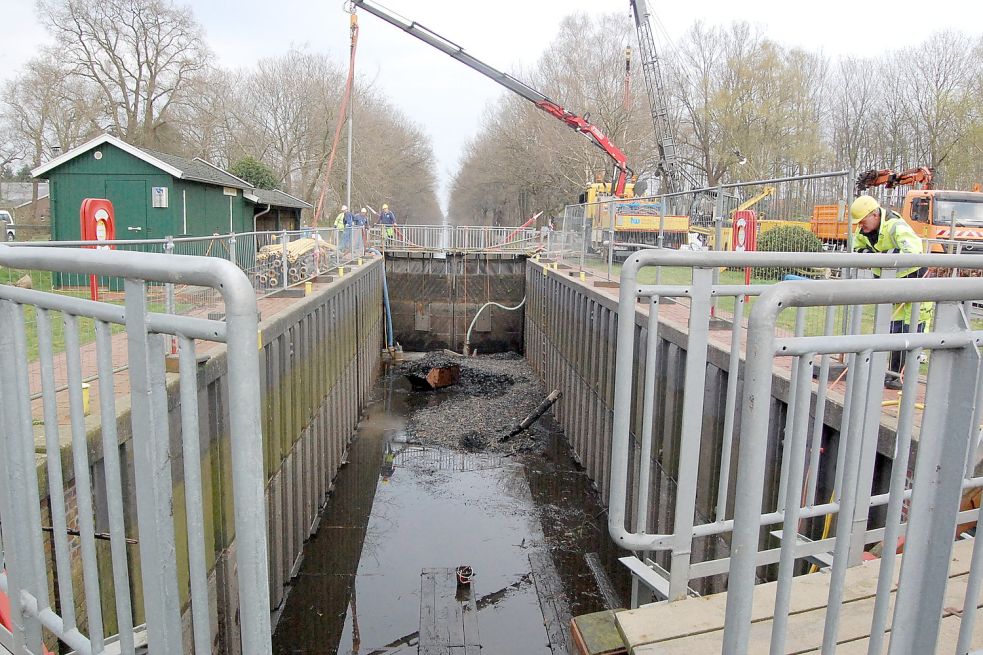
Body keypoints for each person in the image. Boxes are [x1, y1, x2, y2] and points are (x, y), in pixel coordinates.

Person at [850, 195, 933, 389]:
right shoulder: (863, 231)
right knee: (894, 331)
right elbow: (856, 251)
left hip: (913, 283)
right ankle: (893, 375)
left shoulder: (895, 226)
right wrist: (882, 256)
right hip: (891, 286)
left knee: (911, 332)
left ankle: (904, 378)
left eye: (863, 221)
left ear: (874, 214)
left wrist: (881, 257)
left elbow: (912, 252)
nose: (861, 226)